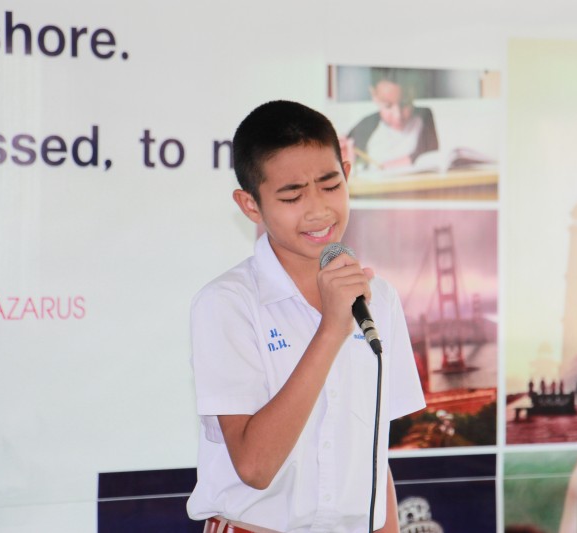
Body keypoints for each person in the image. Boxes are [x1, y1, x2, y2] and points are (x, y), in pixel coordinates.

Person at [187, 100, 426, 532]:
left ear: (347, 175)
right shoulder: (227, 303)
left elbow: (374, 456)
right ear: (250, 205)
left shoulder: (380, 298)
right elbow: (255, 466)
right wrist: (332, 328)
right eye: (292, 196)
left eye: (330, 186)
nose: (318, 210)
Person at [343, 68, 438, 170]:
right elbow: (348, 157)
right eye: (388, 106)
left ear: (413, 92)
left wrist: (385, 166)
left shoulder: (424, 116)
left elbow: (429, 157)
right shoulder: (365, 126)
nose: (398, 115)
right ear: (374, 95)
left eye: (405, 103)